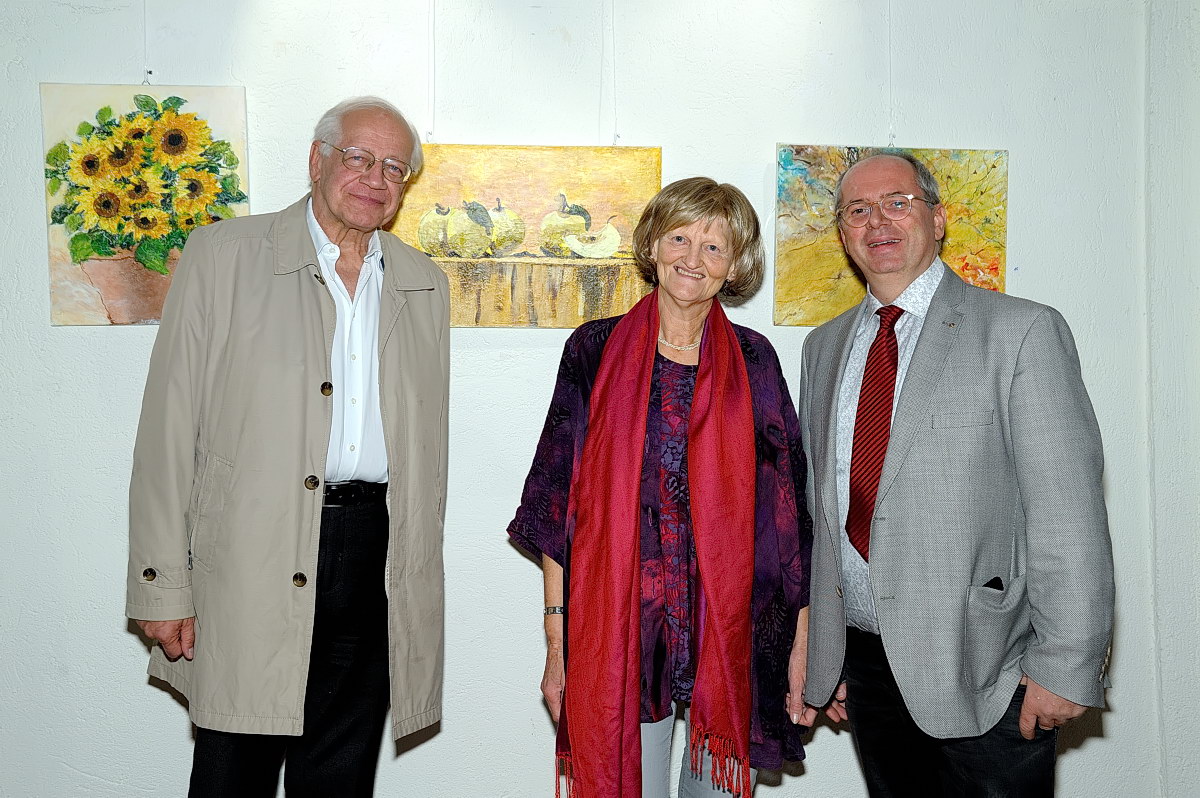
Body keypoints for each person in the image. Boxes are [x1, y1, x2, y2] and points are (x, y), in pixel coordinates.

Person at [126, 96, 449, 797]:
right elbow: (168, 428)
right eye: (358, 157)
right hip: (251, 553)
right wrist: (160, 582)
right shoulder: (224, 256)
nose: (375, 178)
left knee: (340, 777)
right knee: (232, 771)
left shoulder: (425, 282)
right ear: (316, 159)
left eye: (394, 167)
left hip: (374, 552)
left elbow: (429, 454)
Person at [792, 151, 1114, 796]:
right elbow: (820, 513)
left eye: (898, 202)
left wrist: (1066, 664)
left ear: (937, 220)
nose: (877, 220)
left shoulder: (1021, 331)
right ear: (843, 233)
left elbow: (1068, 514)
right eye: (858, 209)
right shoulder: (822, 347)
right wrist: (825, 647)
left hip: (988, 665)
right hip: (867, 663)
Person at [508, 177, 813, 798]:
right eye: (680, 238)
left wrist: (803, 645)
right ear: (653, 245)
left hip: (731, 632)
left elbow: (790, 516)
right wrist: (557, 643)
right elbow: (557, 503)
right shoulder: (593, 349)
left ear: (735, 266)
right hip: (621, 627)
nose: (693, 258)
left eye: (714, 246)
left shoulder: (755, 360)